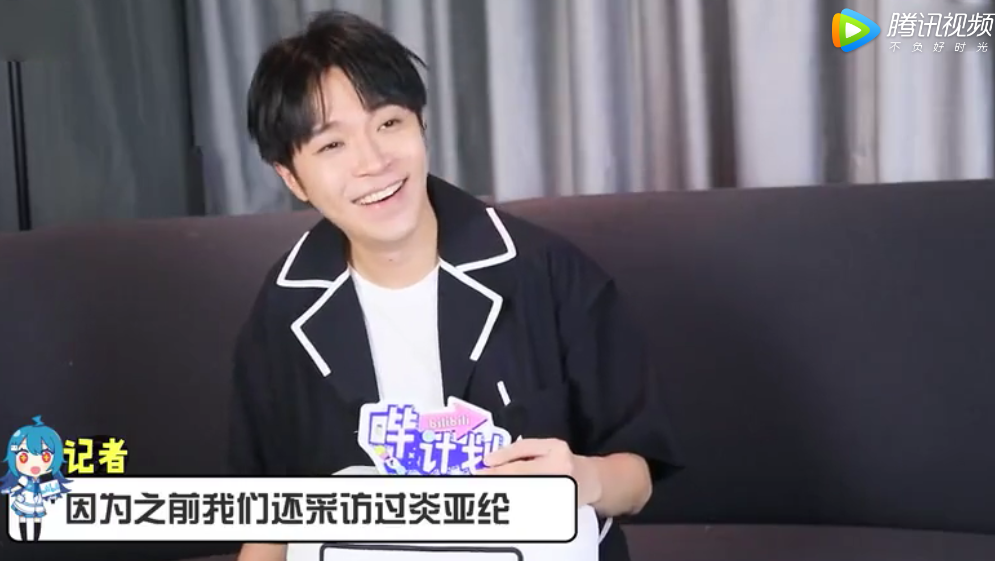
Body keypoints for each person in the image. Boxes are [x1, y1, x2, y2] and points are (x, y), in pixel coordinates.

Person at [229, 9, 682, 561]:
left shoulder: (547, 273)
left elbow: (637, 477)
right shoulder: (283, 310)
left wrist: (581, 476)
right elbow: (269, 522)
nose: (373, 162)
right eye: (331, 146)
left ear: (420, 125)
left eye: (388, 123)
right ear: (291, 176)